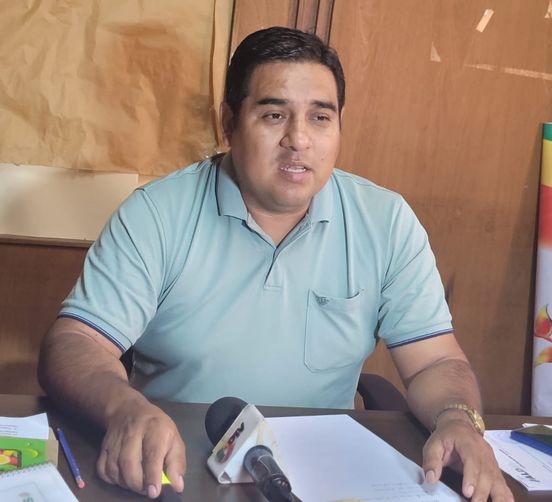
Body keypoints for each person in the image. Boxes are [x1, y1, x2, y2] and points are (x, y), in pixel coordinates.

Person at [38, 27, 513, 501]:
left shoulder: (385, 221)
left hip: (326, 474)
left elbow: (436, 362)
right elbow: (76, 342)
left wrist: (458, 420)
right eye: (273, 115)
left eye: (320, 117)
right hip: (177, 468)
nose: (298, 139)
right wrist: (122, 408)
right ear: (229, 123)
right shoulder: (157, 214)